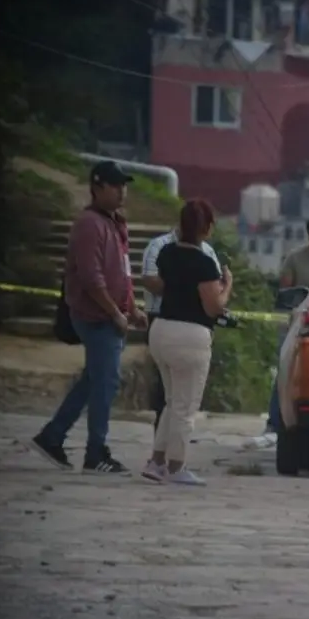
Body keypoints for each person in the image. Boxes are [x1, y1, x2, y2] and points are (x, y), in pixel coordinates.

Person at [23, 161, 147, 475]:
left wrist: (131, 308)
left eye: (124, 185)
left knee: (93, 379)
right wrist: (115, 312)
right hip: (94, 317)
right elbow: (92, 279)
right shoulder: (89, 224)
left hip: (111, 315)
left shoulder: (116, 223)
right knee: (106, 381)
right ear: (98, 186)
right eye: (115, 185)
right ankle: (96, 452)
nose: (122, 191)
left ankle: (52, 436)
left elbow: (124, 272)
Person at [143, 199, 232, 485]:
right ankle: (176, 466)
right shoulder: (204, 262)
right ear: (206, 227)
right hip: (190, 335)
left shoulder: (167, 253)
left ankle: (156, 461)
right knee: (185, 405)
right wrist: (227, 285)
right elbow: (214, 307)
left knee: (172, 401)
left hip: (161, 329)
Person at [250, 214, 309, 446]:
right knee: (285, 373)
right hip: (296, 326)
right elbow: (285, 292)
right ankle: (275, 422)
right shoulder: (295, 258)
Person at [142, 214, 221, 433]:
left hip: (189, 324)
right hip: (167, 318)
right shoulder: (160, 246)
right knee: (174, 397)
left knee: (179, 395)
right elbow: (149, 279)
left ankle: (162, 454)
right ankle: (173, 455)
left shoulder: (206, 253)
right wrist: (183, 290)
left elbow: (213, 286)